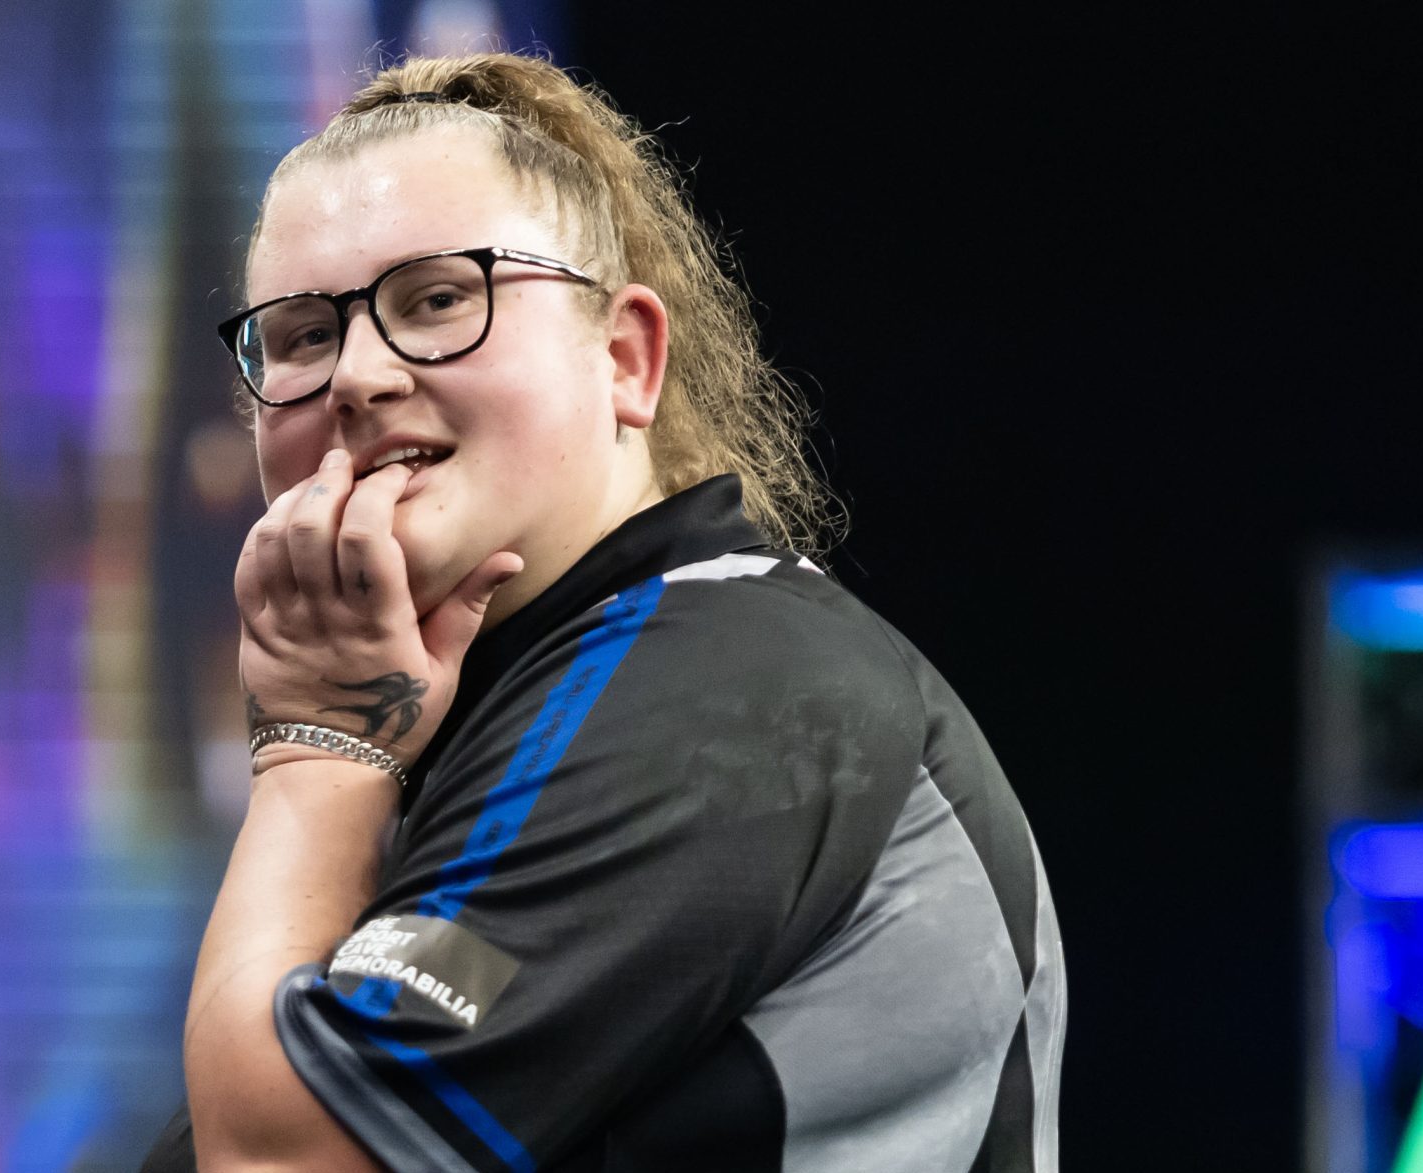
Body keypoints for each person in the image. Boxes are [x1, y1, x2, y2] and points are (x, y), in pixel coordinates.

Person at [142, 52, 1064, 1173]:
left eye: (439, 300)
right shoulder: (503, 718)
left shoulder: (733, 685)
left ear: (625, 359)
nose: (356, 376)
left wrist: (317, 745)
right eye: (301, 335)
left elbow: (283, 1161)